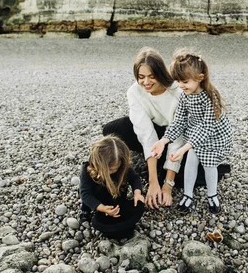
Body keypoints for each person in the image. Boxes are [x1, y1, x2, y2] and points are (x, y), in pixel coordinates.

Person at [151, 50, 233, 214]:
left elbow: (207, 127)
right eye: (178, 81)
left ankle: (212, 195)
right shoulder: (184, 96)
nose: (181, 85)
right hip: (195, 132)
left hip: (213, 135)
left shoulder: (210, 96)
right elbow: (179, 121)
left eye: (185, 81)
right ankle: (188, 194)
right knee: (191, 160)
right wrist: (163, 141)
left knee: (209, 164)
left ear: (200, 78)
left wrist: (183, 148)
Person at [102, 47, 185, 209]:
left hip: (175, 134)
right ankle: (154, 160)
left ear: (160, 73)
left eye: (151, 77)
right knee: (110, 130)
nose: (146, 82)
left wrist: (167, 186)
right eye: (141, 77)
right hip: (152, 131)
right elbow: (147, 135)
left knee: (185, 178)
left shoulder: (178, 92)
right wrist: (152, 183)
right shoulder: (134, 92)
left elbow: (178, 139)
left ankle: (162, 164)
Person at [79, 135, 145, 240]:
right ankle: (85, 212)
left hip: (116, 197)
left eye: (116, 168)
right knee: (91, 210)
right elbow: (85, 194)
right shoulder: (88, 171)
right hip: (98, 199)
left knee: (139, 206)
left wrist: (137, 193)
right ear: (97, 164)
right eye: (110, 170)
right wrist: (102, 208)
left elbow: (135, 179)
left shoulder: (122, 167)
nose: (113, 172)